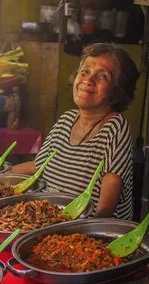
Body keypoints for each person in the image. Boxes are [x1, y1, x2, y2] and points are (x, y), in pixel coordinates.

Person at [12, 43, 140, 219]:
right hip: (50, 219)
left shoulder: (115, 127)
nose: (88, 80)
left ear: (116, 90)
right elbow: (39, 166)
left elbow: (108, 199)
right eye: (84, 72)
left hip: (85, 231)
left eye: (102, 76)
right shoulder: (66, 120)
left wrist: (79, 230)